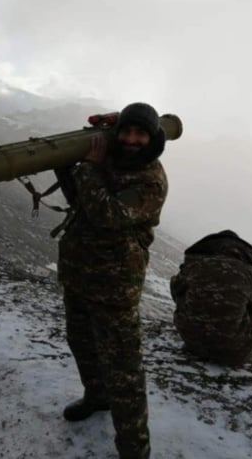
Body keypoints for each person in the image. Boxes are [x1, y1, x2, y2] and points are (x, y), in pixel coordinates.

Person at [55, 102, 169, 459]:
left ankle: (135, 448)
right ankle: (97, 397)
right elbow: (82, 203)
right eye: (127, 132)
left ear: (152, 137)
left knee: (124, 371)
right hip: (80, 273)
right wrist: (65, 166)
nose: (132, 140)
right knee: (82, 344)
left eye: (140, 134)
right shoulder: (110, 159)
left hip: (115, 285)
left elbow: (108, 215)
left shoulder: (150, 179)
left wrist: (88, 168)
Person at [170, 230, 252, 366]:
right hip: (233, 353)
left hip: (191, 342)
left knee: (183, 290)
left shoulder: (195, 264)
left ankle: (196, 328)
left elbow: (175, 291)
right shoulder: (251, 273)